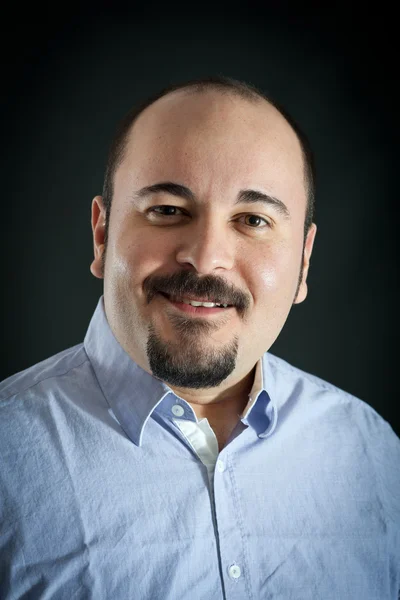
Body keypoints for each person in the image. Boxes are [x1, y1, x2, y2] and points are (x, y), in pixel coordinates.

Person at [1, 75, 399, 600]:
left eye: (253, 219)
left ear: (303, 262)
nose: (207, 256)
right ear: (102, 234)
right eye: (167, 210)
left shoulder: (373, 454)